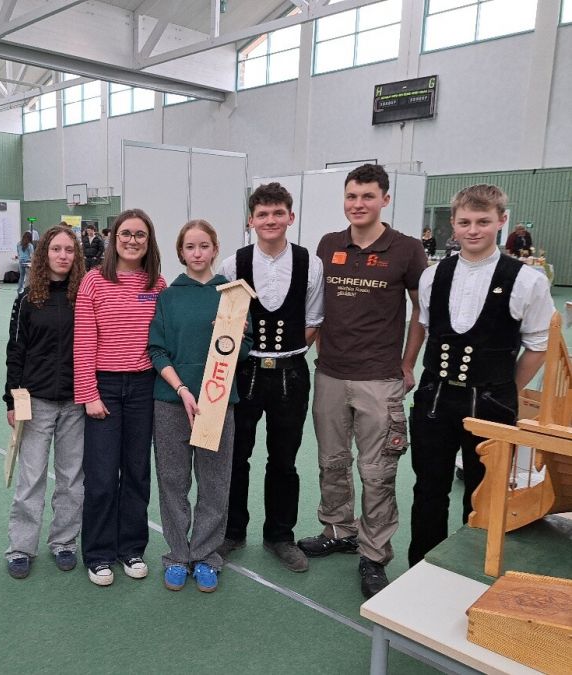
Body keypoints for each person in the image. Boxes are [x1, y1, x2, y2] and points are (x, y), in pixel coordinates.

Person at [298, 164, 428, 599]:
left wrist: (408, 363)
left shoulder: (406, 250)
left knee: (376, 472)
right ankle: (339, 530)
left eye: (368, 197)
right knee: (332, 462)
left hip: (379, 380)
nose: (358, 204)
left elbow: (419, 312)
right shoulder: (329, 245)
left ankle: (374, 555)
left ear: (385, 200)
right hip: (331, 374)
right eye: (352, 196)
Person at [407, 185, 554, 566]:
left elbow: (538, 345)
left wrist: (507, 389)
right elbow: (424, 325)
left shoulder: (527, 281)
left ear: (501, 222)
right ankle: (422, 567)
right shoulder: (432, 276)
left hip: (491, 403)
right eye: (465, 222)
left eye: (483, 221)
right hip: (435, 400)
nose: (474, 230)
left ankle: (470, 570)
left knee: (483, 493)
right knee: (428, 489)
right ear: (452, 226)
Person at [216, 183, 324, 573]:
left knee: (284, 459)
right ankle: (232, 530)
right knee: (236, 456)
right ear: (251, 220)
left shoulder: (311, 263)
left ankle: (280, 534)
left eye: (278, 213)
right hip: (244, 371)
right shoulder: (232, 264)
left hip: (290, 373)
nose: (270, 220)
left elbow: (314, 321)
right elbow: (228, 324)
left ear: (290, 217)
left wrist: (288, 356)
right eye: (262, 214)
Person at [148, 220, 252, 593]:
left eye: (204, 246)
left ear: (214, 249)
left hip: (218, 402)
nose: (197, 253)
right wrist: (180, 390)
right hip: (172, 403)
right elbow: (156, 350)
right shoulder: (168, 296)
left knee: (214, 481)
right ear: (181, 252)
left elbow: (247, 349)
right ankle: (178, 554)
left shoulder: (231, 296)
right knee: (173, 480)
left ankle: (207, 555)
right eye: (190, 247)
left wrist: (238, 337)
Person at [74, 208, 166, 586]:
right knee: (100, 476)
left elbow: (168, 337)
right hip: (104, 388)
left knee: (137, 472)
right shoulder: (93, 282)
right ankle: (97, 553)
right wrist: (89, 394)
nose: (132, 240)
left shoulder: (157, 285)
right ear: (114, 239)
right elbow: (83, 343)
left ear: (149, 241)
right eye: (126, 233)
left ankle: (131, 548)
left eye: (140, 235)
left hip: (144, 389)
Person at [3, 225, 86, 579]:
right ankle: (21, 547)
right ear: (44, 254)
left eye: (69, 250)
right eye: (56, 249)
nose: (63, 256)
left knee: (71, 478)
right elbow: (15, 350)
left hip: (75, 402)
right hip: (35, 402)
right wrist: (12, 397)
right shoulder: (27, 300)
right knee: (31, 477)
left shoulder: (83, 296)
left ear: (76, 256)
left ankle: (64, 541)